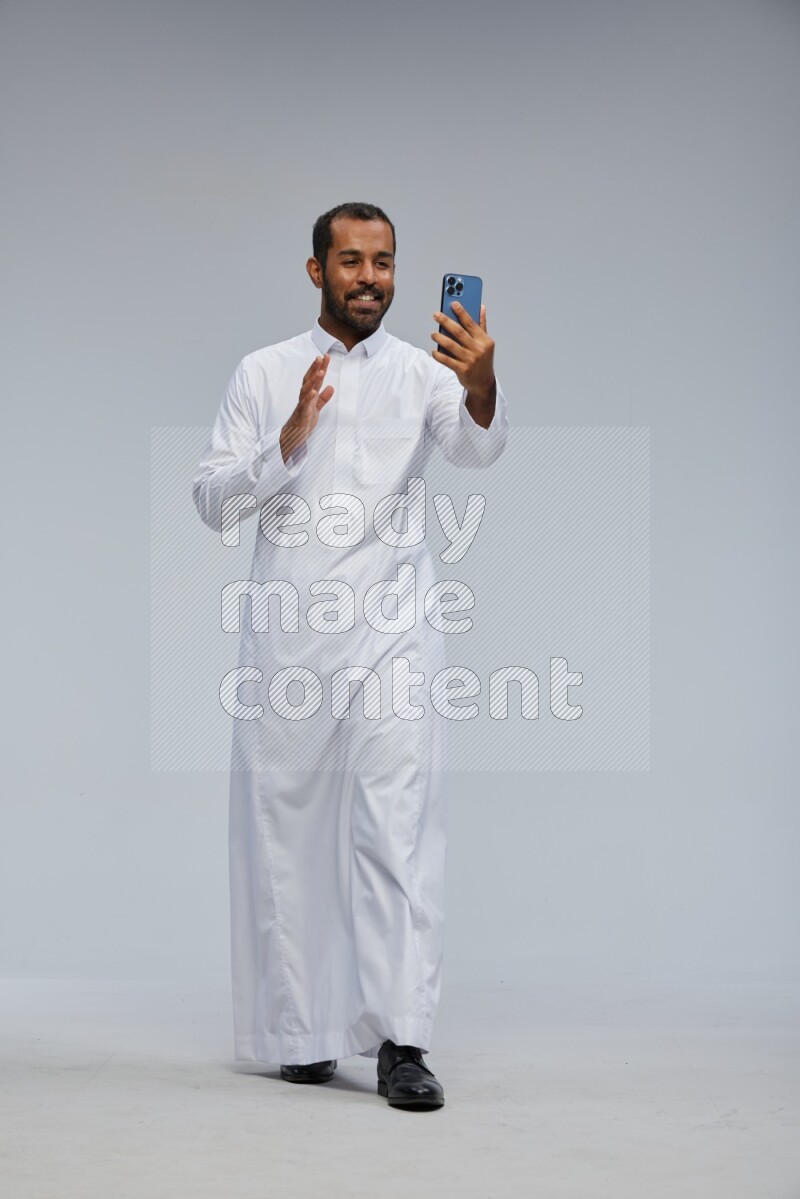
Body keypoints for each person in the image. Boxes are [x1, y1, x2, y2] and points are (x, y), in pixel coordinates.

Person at [192, 202, 510, 1110]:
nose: (369, 277)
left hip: (396, 633)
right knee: (285, 833)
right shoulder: (262, 372)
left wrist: (483, 383)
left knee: (398, 829)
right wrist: (286, 440)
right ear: (315, 270)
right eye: (350, 261)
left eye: (384, 262)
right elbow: (212, 502)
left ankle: (403, 1042)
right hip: (291, 638)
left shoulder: (426, 371)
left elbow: (476, 449)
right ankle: (302, 1033)